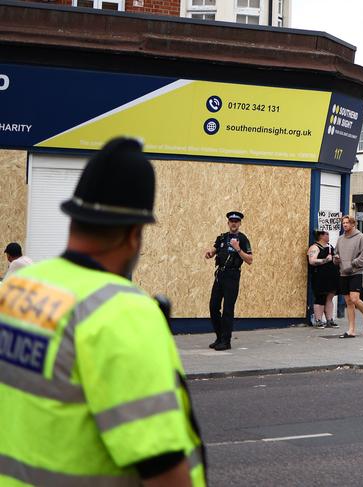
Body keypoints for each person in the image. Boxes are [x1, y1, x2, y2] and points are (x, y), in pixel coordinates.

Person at [0, 137, 206, 486]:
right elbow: (163, 466)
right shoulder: (123, 313)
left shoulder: (17, 288)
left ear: (73, 220)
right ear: (133, 234)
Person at [204, 211, 252, 351]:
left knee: (227, 310)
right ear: (228, 223)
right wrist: (210, 253)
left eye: (236, 221)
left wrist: (238, 249)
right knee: (213, 307)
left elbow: (249, 260)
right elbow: (214, 250)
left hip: (232, 276)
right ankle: (219, 337)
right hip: (220, 276)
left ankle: (226, 341)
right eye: (231, 221)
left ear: (240, 224)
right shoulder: (222, 238)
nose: (234, 223)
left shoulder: (243, 239)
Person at [334, 214, 363, 338]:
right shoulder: (340, 239)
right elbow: (336, 254)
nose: (344, 225)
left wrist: (351, 265)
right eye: (343, 223)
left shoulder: (361, 238)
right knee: (348, 302)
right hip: (343, 273)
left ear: (353, 224)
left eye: (347, 223)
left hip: (355, 272)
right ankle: (351, 330)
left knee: (355, 299)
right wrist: (336, 259)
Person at [307, 229, 339, 328]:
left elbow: (333, 261)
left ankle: (329, 320)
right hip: (320, 277)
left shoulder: (330, 247)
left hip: (331, 277)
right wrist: (326, 260)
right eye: (326, 234)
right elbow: (312, 261)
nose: (328, 236)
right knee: (320, 298)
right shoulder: (314, 247)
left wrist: (336, 259)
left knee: (330, 298)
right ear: (321, 236)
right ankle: (318, 320)